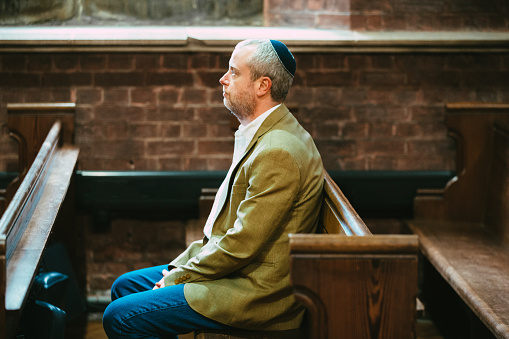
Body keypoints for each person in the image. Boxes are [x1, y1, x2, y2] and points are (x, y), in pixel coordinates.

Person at [102, 39, 324, 339]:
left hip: (255, 293)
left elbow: (241, 244)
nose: (223, 79)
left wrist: (178, 276)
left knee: (120, 317)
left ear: (263, 85)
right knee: (125, 287)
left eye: (233, 72)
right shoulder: (269, 131)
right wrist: (181, 268)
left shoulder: (278, 151)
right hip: (238, 272)